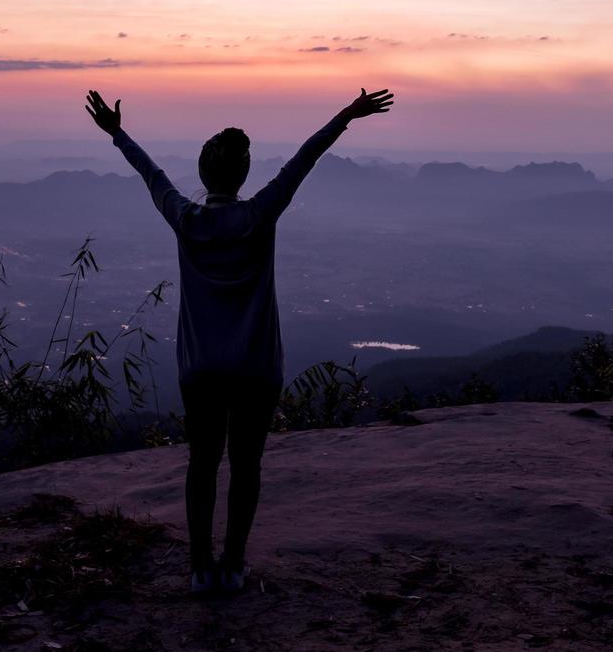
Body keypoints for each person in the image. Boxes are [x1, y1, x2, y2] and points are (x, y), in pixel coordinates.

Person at [85, 86, 395, 596]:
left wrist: (116, 132)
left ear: (205, 174)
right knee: (247, 464)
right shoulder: (259, 215)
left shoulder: (186, 220)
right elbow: (303, 160)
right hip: (255, 368)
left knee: (202, 463)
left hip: (201, 369)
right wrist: (347, 114)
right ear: (243, 175)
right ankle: (232, 565)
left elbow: (150, 174)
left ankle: (199, 567)